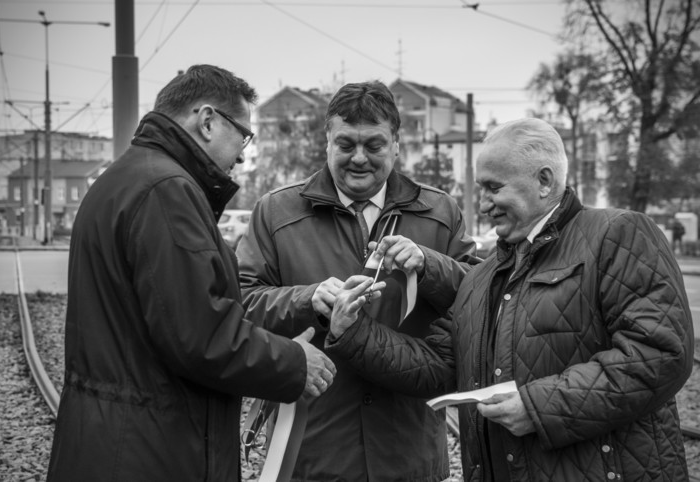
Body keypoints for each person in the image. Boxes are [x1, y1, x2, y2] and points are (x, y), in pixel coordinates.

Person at [327, 117, 695, 481]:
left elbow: (660, 354)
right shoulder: (483, 277)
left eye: (493, 188)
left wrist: (538, 408)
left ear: (544, 181)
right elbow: (438, 366)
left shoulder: (618, 234)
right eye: (480, 189)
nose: (483, 204)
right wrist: (353, 332)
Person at [46, 65, 337, 482]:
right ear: (206, 122)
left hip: (114, 437)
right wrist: (294, 363)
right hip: (151, 452)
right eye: (244, 135)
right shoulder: (167, 191)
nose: (242, 153)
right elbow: (198, 335)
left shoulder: (124, 179)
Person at [236, 81, 479, 481]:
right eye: (346, 144)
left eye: (375, 145)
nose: (359, 159)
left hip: (408, 453)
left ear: (397, 144)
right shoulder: (276, 213)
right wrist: (307, 299)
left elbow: (480, 298)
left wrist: (430, 265)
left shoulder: (439, 212)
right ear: (327, 141)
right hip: (315, 454)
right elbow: (241, 305)